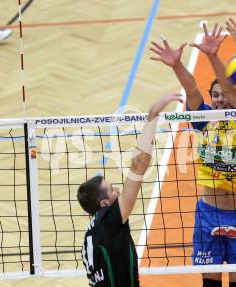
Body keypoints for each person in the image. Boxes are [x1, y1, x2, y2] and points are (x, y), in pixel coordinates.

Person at [150, 26, 236, 287]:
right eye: (215, 95)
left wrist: (213, 56)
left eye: (224, 94)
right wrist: (176, 66)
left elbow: (233, 91)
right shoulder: (202, 121)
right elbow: (193, 91)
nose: (220, 99)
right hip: (209, 213)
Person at [77, 93, 183, 287]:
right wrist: (153, 114)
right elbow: (138, 165)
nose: (118, 190)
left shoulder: (89, 234)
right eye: (111, 189)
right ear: (105, 204)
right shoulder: (109, 220)